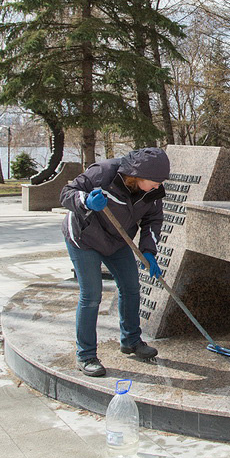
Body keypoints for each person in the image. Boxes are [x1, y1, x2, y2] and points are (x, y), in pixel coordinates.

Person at [60, 147, 170, 377]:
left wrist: (149, 251)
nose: (159, 186)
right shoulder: (104, 173)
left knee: (131, 288)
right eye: (155, 181)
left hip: (118, 241)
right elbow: (66, 193)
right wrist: (86, 201)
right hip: (85, 237)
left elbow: (153, 220)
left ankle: (130, 340)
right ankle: (86, 355)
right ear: (139, 174)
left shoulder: (152, 192)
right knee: (91, 295)